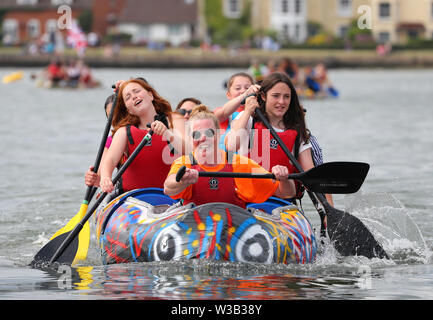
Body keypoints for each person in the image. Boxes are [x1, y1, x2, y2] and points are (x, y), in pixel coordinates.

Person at [164, 105, 296, 207]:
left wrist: (284, 178)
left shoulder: (239, 164)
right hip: (195, 231)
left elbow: (287, 193)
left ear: (218, 135)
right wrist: (182, 181)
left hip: (233, 232)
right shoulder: (184, 163)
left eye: (209, 133)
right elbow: (168, 188)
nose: (203, 138)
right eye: (196, 135)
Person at [226, 72, 315, 200]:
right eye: (275, 96)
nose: (281, 102)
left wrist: (327, 213)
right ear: (263, 96)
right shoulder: (249, 120)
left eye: (286, 97)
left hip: (282, 201)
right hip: (246, 199)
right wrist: (247, 111)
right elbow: (230, 146)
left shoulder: (297, 132)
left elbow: (310, 176)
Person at [90, 79, 186, 195]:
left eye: (136, 91)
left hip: (172, 198)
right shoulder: (123, 132)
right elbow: (109, 161)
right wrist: (105, 178)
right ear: (128, 110)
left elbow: (190, 151)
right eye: (128, 97)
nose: (134, 97)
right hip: (134, 201)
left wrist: (168, 134)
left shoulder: (174, 120)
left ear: (150, 95)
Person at [213, 72, 260, 150]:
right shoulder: (223, 112)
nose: (242, 91)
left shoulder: (259, 112)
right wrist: (245, 94)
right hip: (226, 159)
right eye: (238, 88)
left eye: (247, 88)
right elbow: (220, 115)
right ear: (228, 95)